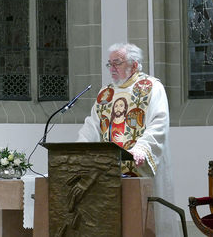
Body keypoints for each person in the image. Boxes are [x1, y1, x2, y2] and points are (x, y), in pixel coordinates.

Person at [77, 42, 180, 237]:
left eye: (117, 63)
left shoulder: (151, 87)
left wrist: (141, 149)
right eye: (109, 64)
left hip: (139, 167)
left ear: (134, 65)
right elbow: (92, 125)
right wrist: (78, 151)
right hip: (107, 170)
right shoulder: (106, 93)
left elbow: (159, 123)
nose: (112, 69)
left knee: (142, 223)